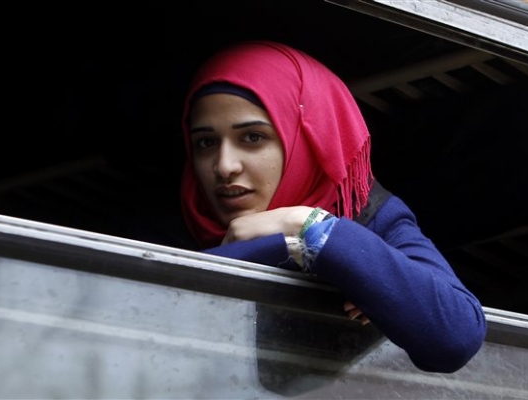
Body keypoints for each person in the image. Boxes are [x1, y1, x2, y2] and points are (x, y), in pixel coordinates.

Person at [177, 40, 486, 373]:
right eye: (206, 143)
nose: (224, 166)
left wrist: (308, 225)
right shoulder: (178, 220)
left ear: (309, 137)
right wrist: (334, 264)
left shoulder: (370, 217)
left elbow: (456, 336)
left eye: (253, 137)